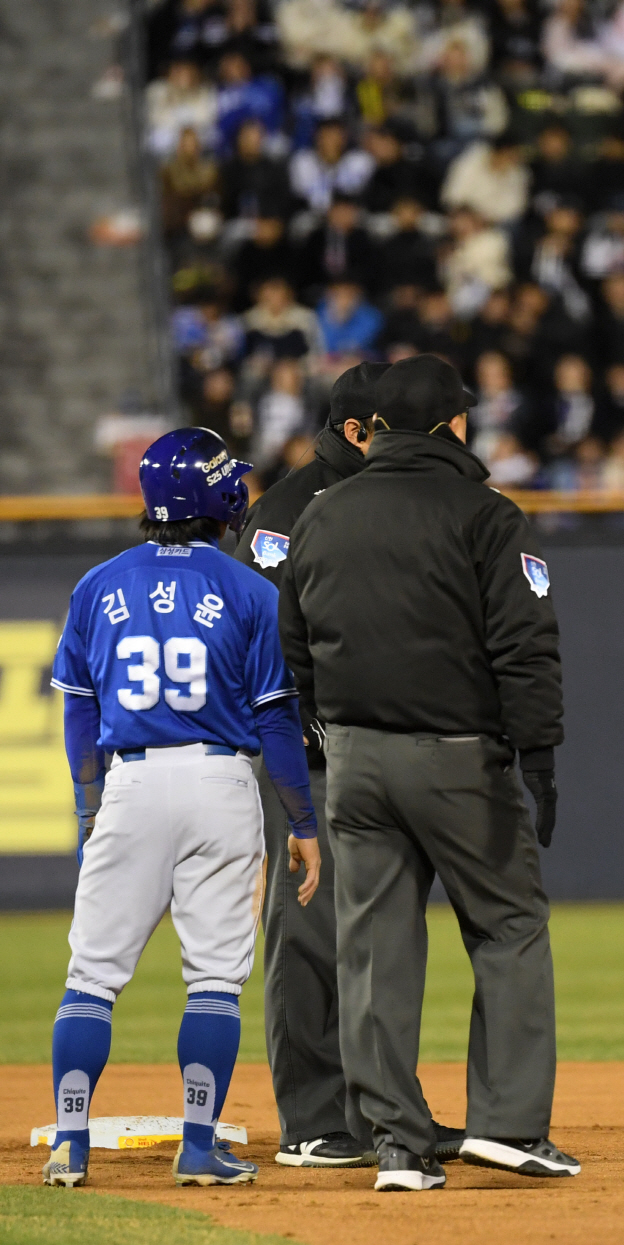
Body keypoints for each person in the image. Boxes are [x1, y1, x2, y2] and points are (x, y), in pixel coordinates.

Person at [277, 354, 578, 1191]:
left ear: (379, 429)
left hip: (354, 764)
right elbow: (525, 646)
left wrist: (328, 731)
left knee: (373, 946)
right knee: (508, 927)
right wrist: (540, 753)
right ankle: (510, 1126)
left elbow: (292, 645)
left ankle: (398, 1144)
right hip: (457, 760)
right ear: (452, 424)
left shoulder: (323, 514)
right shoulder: (485, 513)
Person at [42, 429, 319, 1189]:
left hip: (130, 782)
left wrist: (88, 807)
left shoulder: (99, 584)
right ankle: (198, 1145)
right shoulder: (252, 590)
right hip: (220, 786)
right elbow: (274, 721)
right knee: (214, 980)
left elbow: (79, 712)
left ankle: (70, 1143)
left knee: (92, 977)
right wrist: (301, 821)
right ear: (218, 496)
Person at [234, 363, 467, 1169]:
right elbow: (266, 649)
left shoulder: (390, 498)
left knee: (381, 938)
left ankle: (386, 1112)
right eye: (398, 429)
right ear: (362, 431)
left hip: (376, 747)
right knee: (308, 934)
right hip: (307, 755)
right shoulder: (289, 510)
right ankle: (310, 1118)